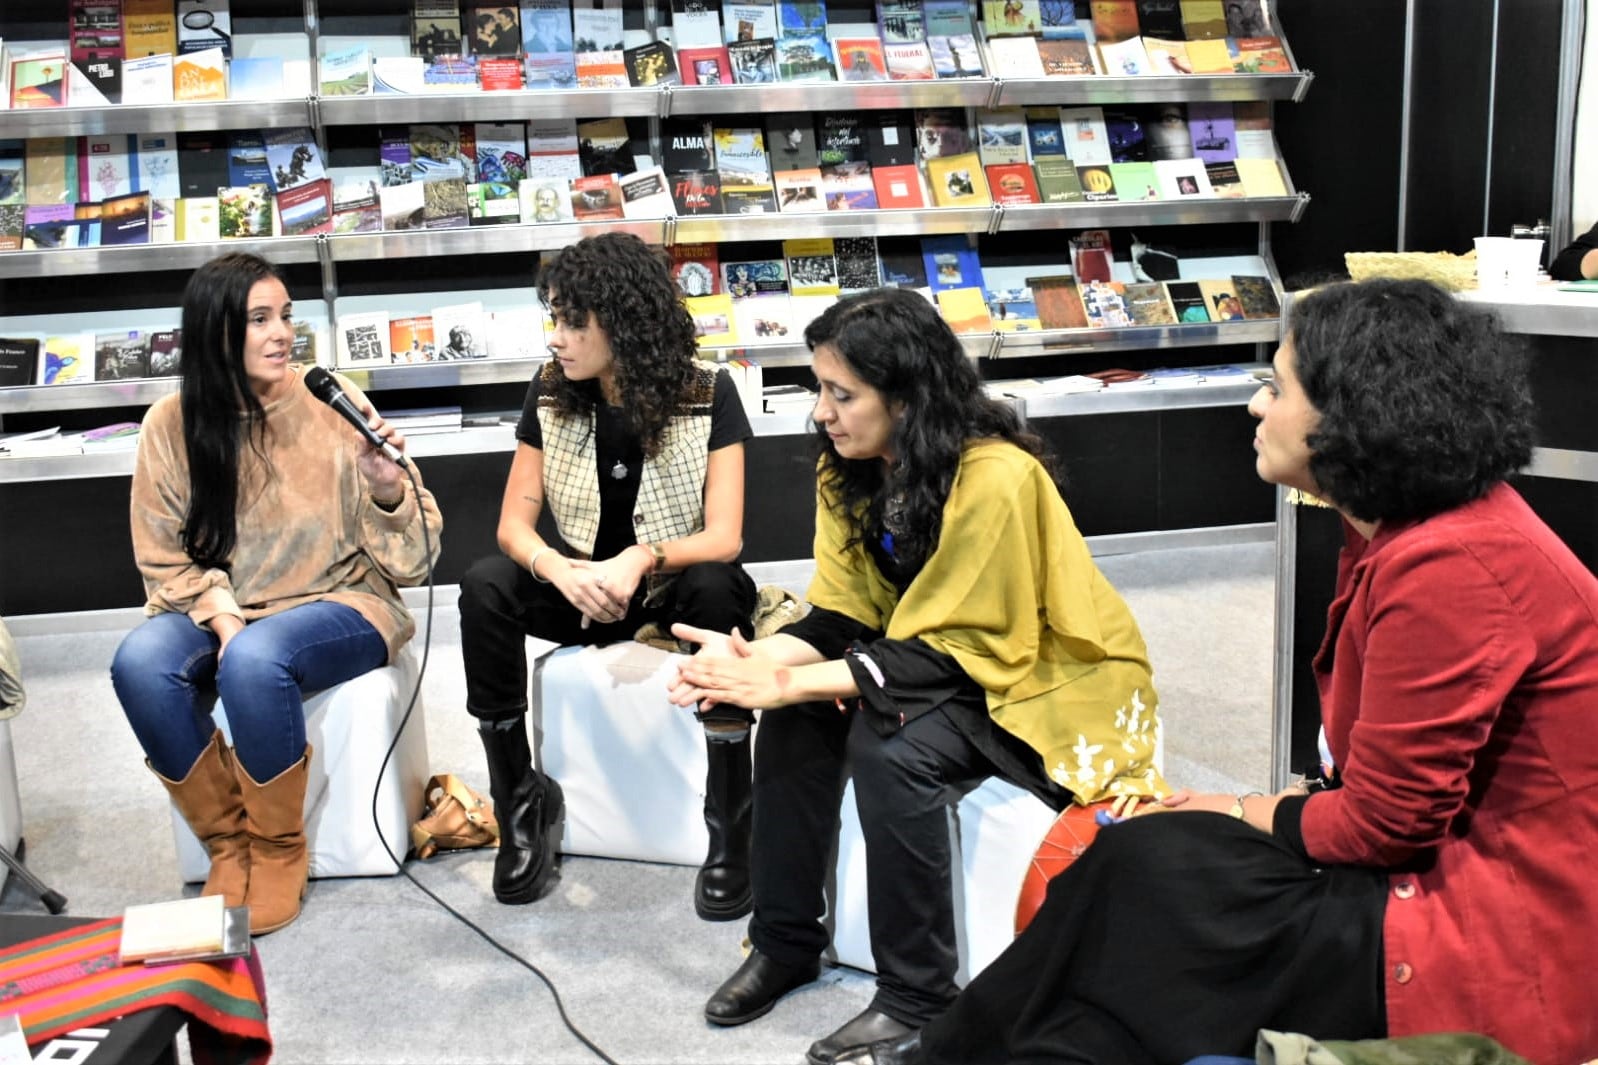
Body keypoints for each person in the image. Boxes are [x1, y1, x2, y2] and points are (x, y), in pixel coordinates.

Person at [853, 279, 1598, 1065]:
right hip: (1442, 881)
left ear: (1357, 415)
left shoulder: (1453, 565)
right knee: (1132, 875)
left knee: (1152, 888)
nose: (1255, 406)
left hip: (1489, 935)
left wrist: (1233, 806)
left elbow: (1385, 825)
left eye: (1277, 387)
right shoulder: (1414, 535)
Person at [667, 287, 1167, 1065]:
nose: (823, 412)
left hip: (1038, 675)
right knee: (801, 716)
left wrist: (794, 680)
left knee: (890, 743)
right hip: (941, 653)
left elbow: (968, 642)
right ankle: (786, 939)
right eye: (818, 389)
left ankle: (918, 995)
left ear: (906, 396)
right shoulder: (850, 467)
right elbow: (844, 611)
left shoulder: (996, 475)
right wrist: (756, 661)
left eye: (843, 393)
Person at [111, 252, 442, 936]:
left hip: (344, 601)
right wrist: (223, 613)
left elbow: (418, 558)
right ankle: (228, 845)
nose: (281, 333)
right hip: (223, 606)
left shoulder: (330, 404)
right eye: (259, 318)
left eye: (285, 315)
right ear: (215, 332)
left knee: (255, 660)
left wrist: (386, 488)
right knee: (139, 662)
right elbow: (161, 557)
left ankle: (278, 848)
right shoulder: (169, 425)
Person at [457, 232, 759, 915]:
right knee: (483, 585)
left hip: (673, 584)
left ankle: (730, 820)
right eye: (554, 318)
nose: (557, 337)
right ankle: (521, 804)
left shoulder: (709, 391)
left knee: (716, 587)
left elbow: (725, 536)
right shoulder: (548, 389)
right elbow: (513, 526)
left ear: (620, 321)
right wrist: (558, 569)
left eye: (573, 321)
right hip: (585, 589)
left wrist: (643, 556)